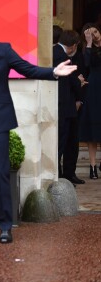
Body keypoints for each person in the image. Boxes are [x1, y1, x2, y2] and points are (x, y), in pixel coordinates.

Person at [0, 12, 77, 244]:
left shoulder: (2, 50)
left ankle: (6, 227)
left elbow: (27, 70)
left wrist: (53, 72)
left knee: (0, 175)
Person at [53, 30, 85, 185]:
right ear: (73, 46)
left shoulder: (56, 52)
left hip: (67, 106)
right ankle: (60, 178)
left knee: (71, 142)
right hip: (63, 106)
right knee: (62, 143)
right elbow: (71, 80)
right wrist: (79, 81)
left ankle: (68, 174)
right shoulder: (61, 55)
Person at [79, 23, 101, 179]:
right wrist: (88, 43)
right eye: (91, 34)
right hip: (94, 88)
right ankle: (92, 166)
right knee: (92, 130)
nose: (95, 35)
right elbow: (86, 64)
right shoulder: (88, 50)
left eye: (96, 32)